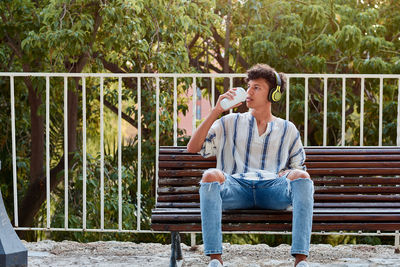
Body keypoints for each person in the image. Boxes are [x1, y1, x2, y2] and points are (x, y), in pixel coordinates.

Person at [187, 63, 314, 267]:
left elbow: (299, 169)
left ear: (273, 95)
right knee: (210, 175)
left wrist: (287, 172)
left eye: (257, 87)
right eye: (249, 86)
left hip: (273, 189)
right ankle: (215, 260)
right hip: (235, 188)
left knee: (303, 178)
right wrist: (216, 111)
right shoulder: (229, 122)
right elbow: (193, 147)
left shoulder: (287, 129)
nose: (249, 92)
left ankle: (301, 260)